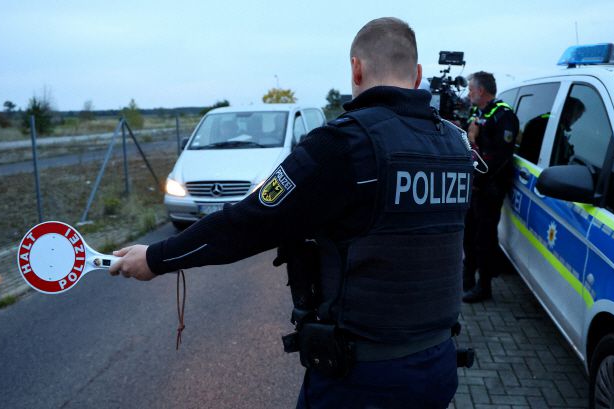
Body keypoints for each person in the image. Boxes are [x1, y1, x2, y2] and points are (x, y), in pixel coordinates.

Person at [110, 17, 473, 409]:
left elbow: (249, 223)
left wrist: (156, 257)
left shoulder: (343, 144)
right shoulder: (455, 144)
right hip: (438, 368)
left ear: (356, 69)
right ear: (417, 75)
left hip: (363, 380)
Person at [462, 71, 520, 303]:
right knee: (469, 232)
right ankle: (467, 275)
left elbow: (499, 157)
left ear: (481, 90)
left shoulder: (503, 115)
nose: (468, 94)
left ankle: (484, 286)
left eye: (470, 89)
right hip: (475, 185)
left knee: (484, 236)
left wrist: (479, 181)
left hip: (490, 187)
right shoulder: (477, 112)